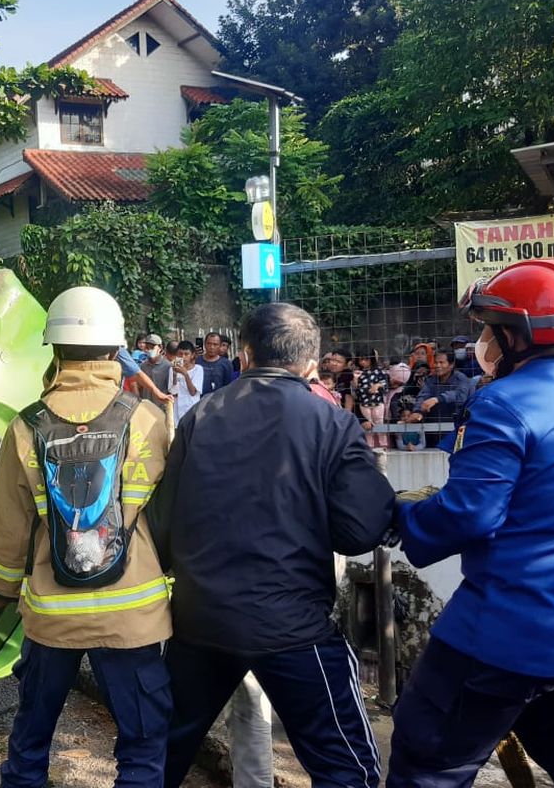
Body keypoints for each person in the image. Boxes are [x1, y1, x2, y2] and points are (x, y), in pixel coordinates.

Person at [387, 260, 554, 788]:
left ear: (516, 336)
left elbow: (470, 512)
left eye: (489, 329)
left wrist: (404, 517)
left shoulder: (501, 402)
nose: (482, 342)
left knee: (428, 755)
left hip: (511, 629)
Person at [153, 303, 394, 788]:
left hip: (201, 621)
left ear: (243, 355)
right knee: (347, 768)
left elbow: (162, 527)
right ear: (312, 362)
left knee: (156, 757)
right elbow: (362, 530)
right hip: (292, 627)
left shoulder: (200, 416)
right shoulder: (331, 423)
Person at [0, 286, 172, 788]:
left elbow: (7, 526)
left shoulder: (26, 426)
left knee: (30, 742)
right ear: (116, 351)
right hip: (132, 616)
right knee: (144, 745)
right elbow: (174, 515)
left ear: (55, 350)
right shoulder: (149, 420)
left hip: (50, 618)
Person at [408, 350, 473, 446]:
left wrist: (437, 399)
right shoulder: (431, 380)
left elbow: (460, 396)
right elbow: (423, 395)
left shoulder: (461, 379)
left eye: (441, 362)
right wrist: (417, 411)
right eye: (436, 362)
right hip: (433, 428)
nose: (438, 365)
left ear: (451, 365)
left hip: (456, 428)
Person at [352, 349, 389, 449]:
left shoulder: (379, 371)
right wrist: (355, 379)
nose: (363, 362)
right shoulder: (358, 372)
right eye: (360, 360)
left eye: (366, 360)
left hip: (377, 401)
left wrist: (377, 386)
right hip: (364, 402)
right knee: (368, 423)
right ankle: (369, 445)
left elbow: (385, 384)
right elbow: (355, 389)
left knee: (379, 421)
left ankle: (383, 444)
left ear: (371, 359)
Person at [168, 341, 203, 424]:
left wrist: (185, 374)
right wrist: (175, 374)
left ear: (192, 355)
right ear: (176, 355)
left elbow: (193, 392)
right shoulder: (172, 369)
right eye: (180, 354)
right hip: (176, 413)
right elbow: (173, 392)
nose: (183, 357)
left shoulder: (198, 369)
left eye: (186, 354)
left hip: (192, 410)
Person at [138, 334, 171, 407]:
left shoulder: (168, 366)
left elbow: (171, 390)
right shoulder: (143, 366)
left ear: (160, 347)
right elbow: (139, 387)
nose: (149, 350)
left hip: (161, 408)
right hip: (146, 407)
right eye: (147, 347)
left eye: (152, 347)